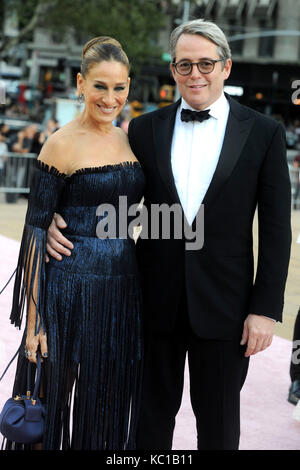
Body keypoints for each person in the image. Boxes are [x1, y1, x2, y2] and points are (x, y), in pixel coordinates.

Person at [46, 20, 292, 450]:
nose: (195, 74)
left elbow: (276, 231)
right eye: (184, 65)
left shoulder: (264, 133)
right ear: (173, 70)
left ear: (226, 67)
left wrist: (265, 309)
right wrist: (54, 216)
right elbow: (116, 195)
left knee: (218, 428)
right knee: (147, 424)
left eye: (205, 64)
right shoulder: (144, 129)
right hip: (151, 301)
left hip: (226, 308)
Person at [6, 36, 144, 450]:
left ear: (129, 87)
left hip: (121, 291)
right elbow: (33, 235)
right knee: (51, 400)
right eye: (100, 86)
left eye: (119, 88)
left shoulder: (131, 138)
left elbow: (131, 212)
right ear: (81, 84)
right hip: (67, 289)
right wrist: (34, 322)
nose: (110, 98)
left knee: (105, 403)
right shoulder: (60, 143)